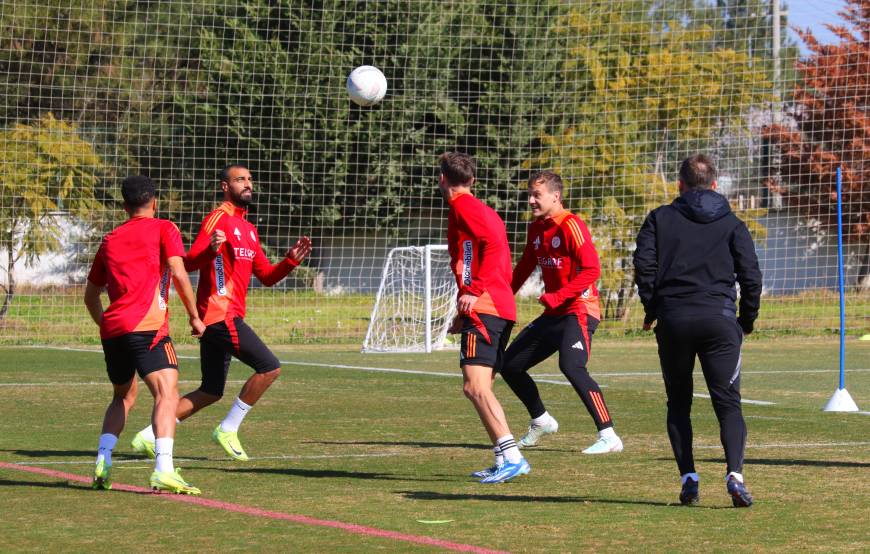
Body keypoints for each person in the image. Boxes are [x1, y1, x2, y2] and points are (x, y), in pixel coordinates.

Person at [131, 164, 312, 461]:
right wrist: (211, 251)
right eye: (240, 179)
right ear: (225, 187)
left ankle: (148, 435)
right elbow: (188, 263)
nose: (248, 184)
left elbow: (265, 276)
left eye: (250, 179)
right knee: (270, 367)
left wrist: (289, 262)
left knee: (212, 390)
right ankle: (228, 428)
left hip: (222, 319)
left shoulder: (250, 231)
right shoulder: (218, 218)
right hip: (219, 316)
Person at [633, 154, 762, 507]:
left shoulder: (659, 218)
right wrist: (746, 320)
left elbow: (644, 265)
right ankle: (734, 475)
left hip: (674, 321)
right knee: (728, 405)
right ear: (716, 185)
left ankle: (689, 477)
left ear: (680, 184)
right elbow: (751, 275)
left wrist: (653, 309)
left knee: (678, 402)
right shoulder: (733, 223)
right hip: (719, 321)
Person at [85, 175, 205, 495]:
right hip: (147, 328)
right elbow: (179, 272)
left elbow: (91, 296)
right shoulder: (165, 228)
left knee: (123, 396)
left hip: (113, 331)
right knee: (167, 392)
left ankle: (103, 459)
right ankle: (164, 468)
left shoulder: (109, 240)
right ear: (155, 201)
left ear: (124, 206)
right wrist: (195, 317)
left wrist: (108, 328)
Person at [501, 171, 623, 454]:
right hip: (555, 314)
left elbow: (592, 270)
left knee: (571, 366)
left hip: (580, 310)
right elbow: (524, 268)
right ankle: (541, 420)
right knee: (510, 365)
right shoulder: (536, 228)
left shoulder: (571, 225)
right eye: (529, 195)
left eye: (536, 195)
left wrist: (559, 296)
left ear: (555, 196)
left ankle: (609, 435)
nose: (531, 200)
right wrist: (501, 296)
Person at [439, 151, 530, 484]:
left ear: (442, 179)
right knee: (481, 388)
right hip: (493, 306)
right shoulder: (471, 211)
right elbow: (473, 259)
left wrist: (474, 292)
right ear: (472, 181)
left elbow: (493, 245)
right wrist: (463, 307)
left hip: (487, 306)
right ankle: (503, 457)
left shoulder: (465, 208)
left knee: (474, 387)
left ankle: (514, 457)